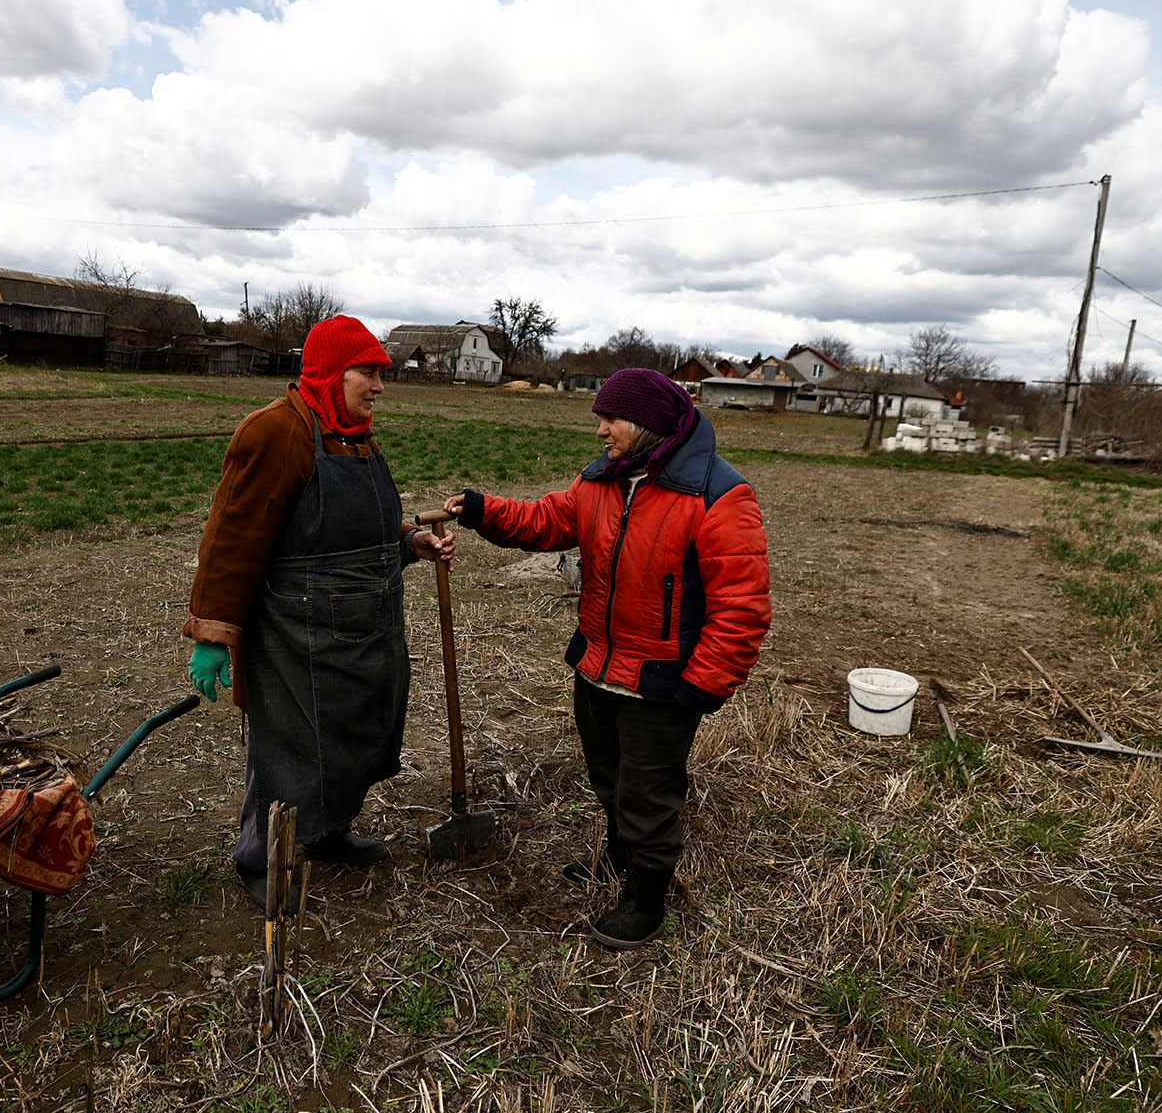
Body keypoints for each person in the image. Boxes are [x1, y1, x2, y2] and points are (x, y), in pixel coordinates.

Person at [445, 368, 769, 947]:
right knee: (609, 778)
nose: (600, 431)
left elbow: (741, 608)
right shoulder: (601, 482)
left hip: (662, 683)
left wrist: (702, 687)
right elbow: (545, 521)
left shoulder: (719, 496)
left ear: (646, 424)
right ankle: (619, 861)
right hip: (597, 668)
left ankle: (646, 897)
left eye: (609, 419)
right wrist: (482, 509)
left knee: (648, 792)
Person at [184, 314, 453, 909]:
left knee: (350, 735)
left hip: (361, 628)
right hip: (292, 632)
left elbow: (359, 531)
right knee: (287, 747)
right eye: (369, 372)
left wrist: (408, 542)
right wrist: (211, 634)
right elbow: (232, 541)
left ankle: (327, 834)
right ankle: (258, 857)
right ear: (331, 373)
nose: (380, 386)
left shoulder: (354, 434)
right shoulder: (274, 434)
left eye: (382, 373)